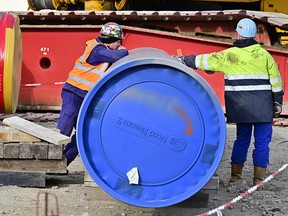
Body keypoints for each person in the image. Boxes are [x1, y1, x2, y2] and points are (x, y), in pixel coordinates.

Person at [176, 18, 284, 186]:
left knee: (242, 140)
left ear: (238, 34)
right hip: (264, 108)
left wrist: (182, 59)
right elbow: (276, 82)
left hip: (242, 108)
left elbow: (202, 61)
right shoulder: (265, 56)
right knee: (262, 143)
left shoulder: (229, 55)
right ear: (254, 35)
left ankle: (236, 177)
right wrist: (277, 103)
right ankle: (258, 180)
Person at [57, 22, 129, 166]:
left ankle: (62, 162)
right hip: (74, 92)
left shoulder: (101, 49)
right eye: (118, 42)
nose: (120, 45)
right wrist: (123, 51)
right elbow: (116, 56)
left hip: (83, 96)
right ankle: (52, 156)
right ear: (111, 41)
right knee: (65, 127)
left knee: (84, 134)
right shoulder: (97, 50)